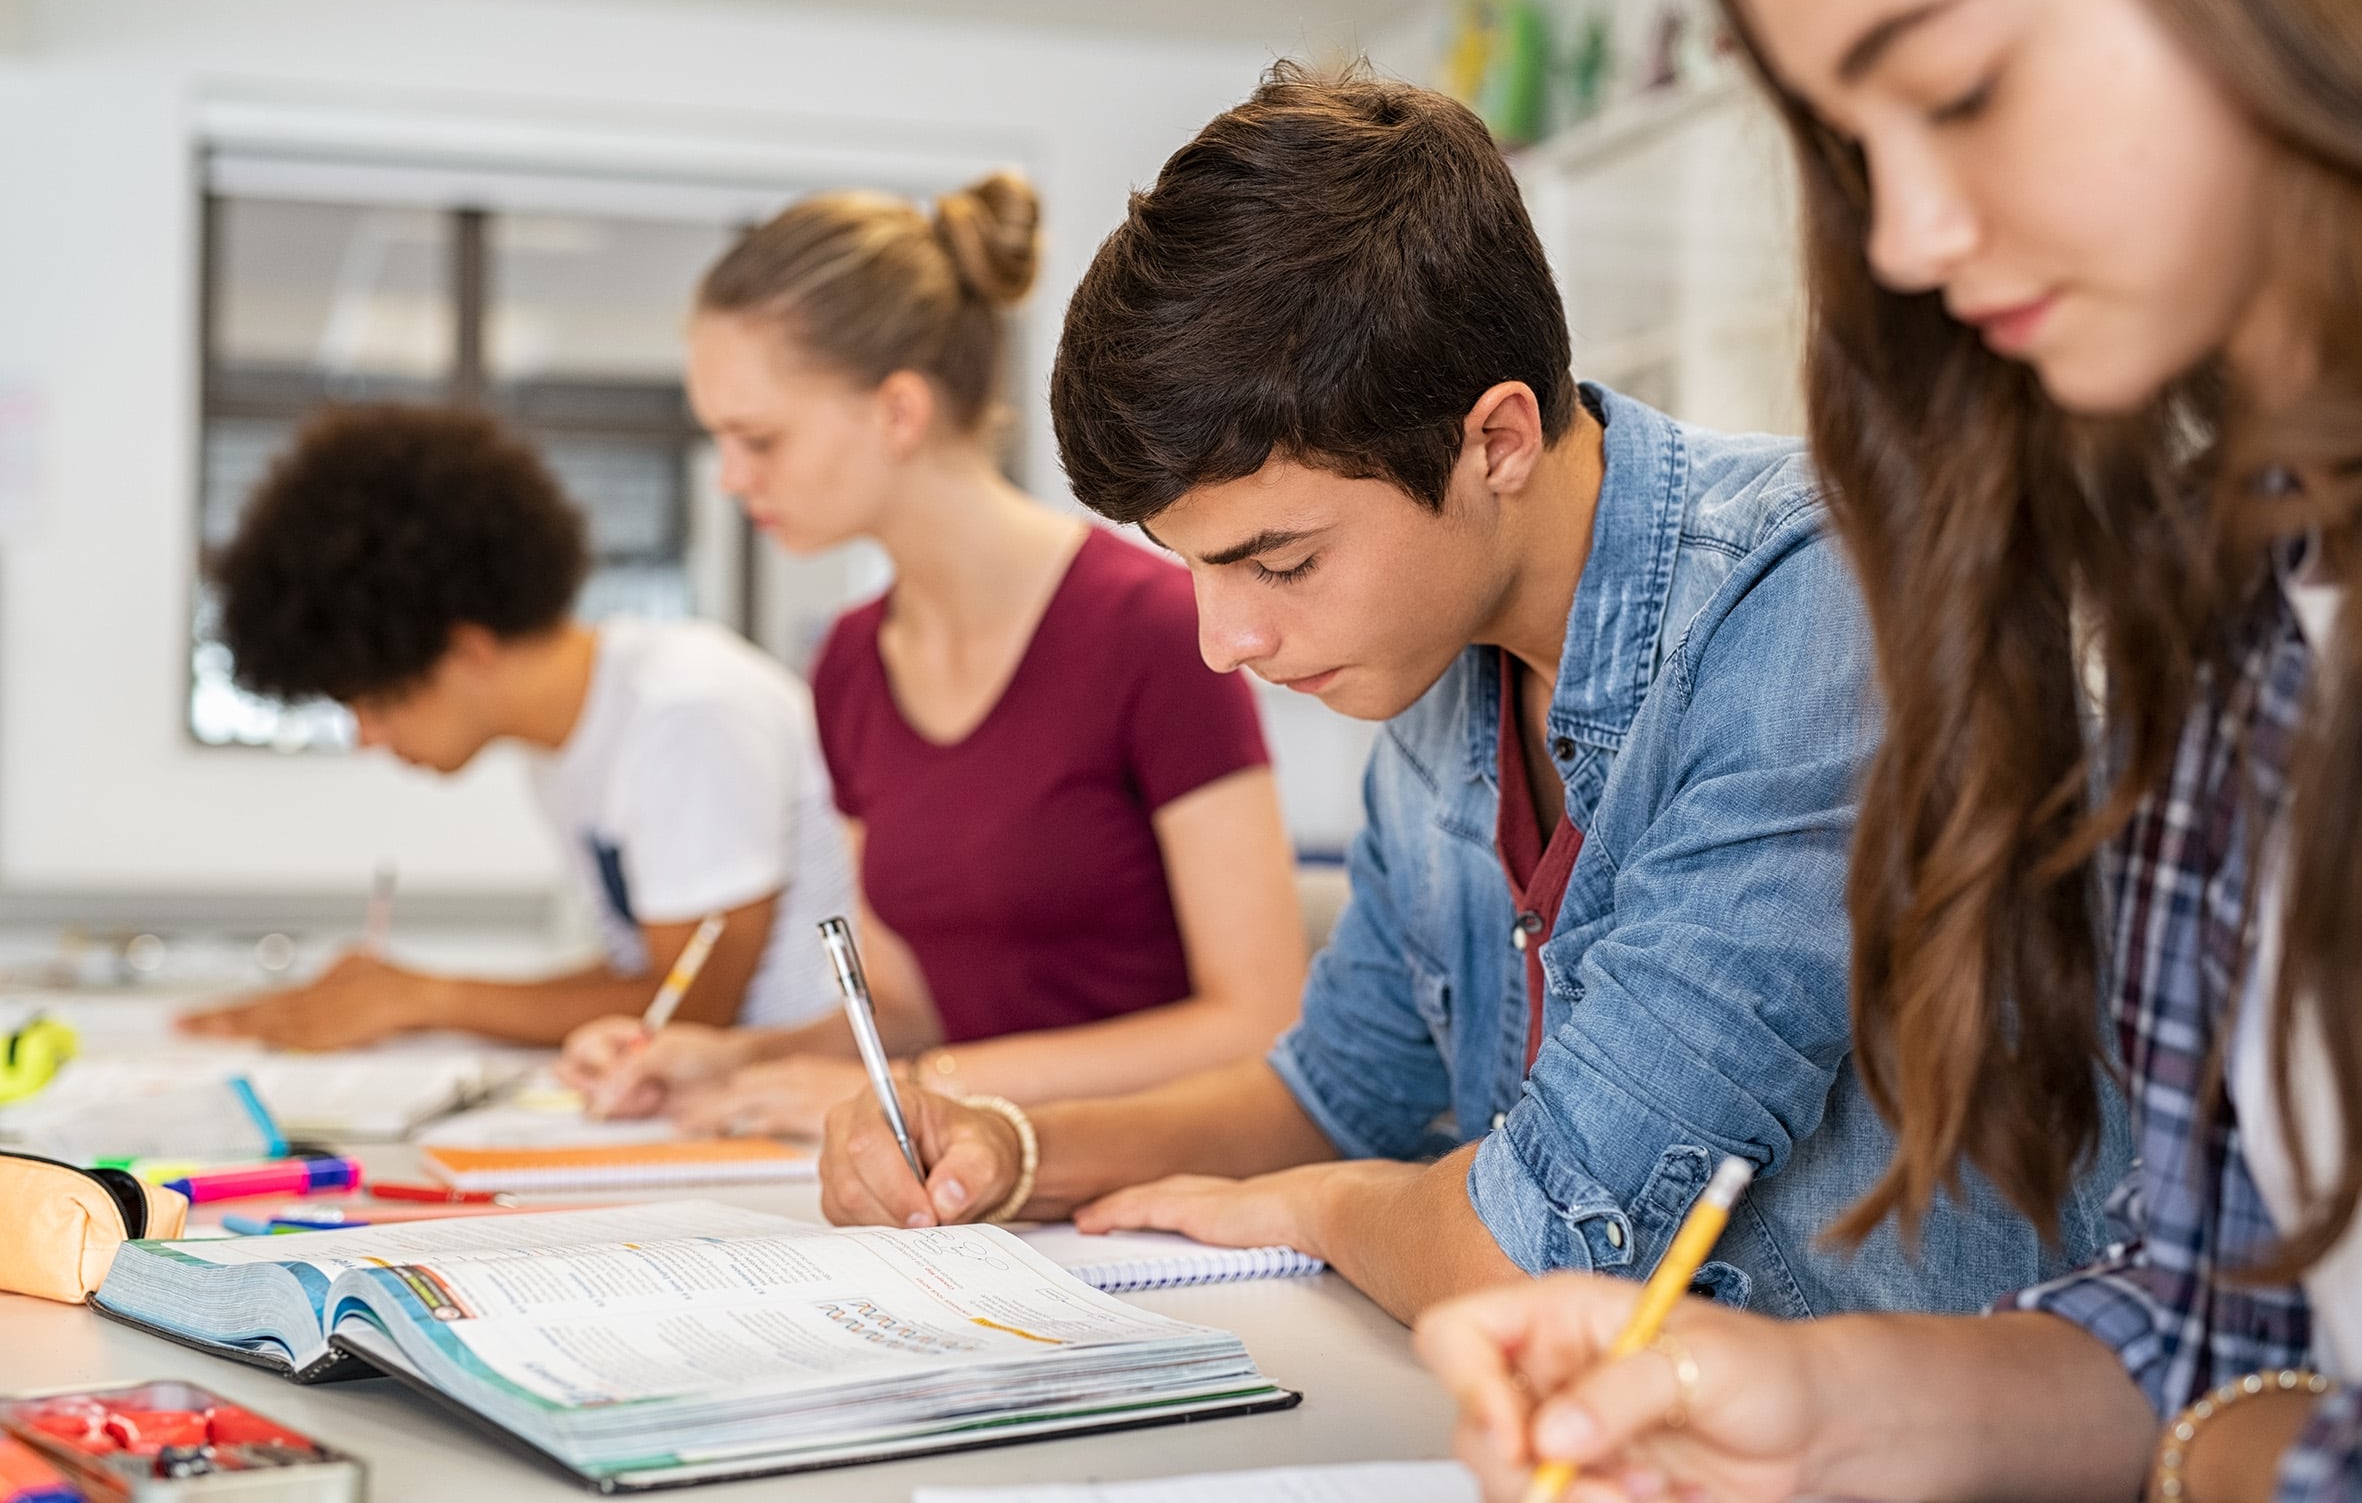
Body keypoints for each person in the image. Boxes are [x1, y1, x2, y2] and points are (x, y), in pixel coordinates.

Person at [816, 66, 2117, 1326]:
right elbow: (1339, 1091)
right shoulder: (1443, 660)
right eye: (1195, 565)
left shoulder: (1812, 604)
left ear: (1493, 439)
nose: (1224, 638)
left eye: (1277, 559)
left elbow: (1548, 1245)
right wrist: (1012, 1145)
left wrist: (1331, 1210)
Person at [1416, 0, 2362, 1499]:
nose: (1909, 234)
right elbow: (2205, 1322)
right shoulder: (2243, 617)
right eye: (1854, 143)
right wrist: (1824, 1400)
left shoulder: (1785, 598)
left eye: (1961, 86)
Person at [559, 172, 1306, 1136]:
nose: (734, 479)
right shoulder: (850, 666)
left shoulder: (1157, 628)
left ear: (898, 412)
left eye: (759, 439)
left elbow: (1257, 1021)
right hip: (970, 1189)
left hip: (1159, 1183)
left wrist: (924, 1086)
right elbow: (909, 1009)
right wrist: (732, 1059)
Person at [182, 403, 854, 1050]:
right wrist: (407, 994)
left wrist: (426, 998)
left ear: (467, 649)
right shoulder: (566, 745)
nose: (367, 738)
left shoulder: (685, 710)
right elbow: (649, 973)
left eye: (377, 704)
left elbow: (691, 1006)